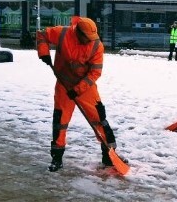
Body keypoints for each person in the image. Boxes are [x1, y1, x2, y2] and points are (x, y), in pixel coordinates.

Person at [37, 16, 121, 172]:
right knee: (60, 121)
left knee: (99, 119)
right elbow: (42, 34)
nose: (89, 40)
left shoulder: (97, 46)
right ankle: (57, 158)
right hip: (63, 83)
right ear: (78, 33)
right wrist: (44, 52)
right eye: (87, 38)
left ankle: (109, 155)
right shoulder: (62, 33)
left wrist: (77, 90)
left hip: (85, 86)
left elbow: (95, 72)